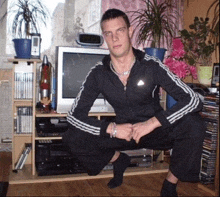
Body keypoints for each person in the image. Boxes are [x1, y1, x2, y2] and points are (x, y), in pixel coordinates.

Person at [62, 8, 205, 196]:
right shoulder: (98, 73)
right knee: (71, 137)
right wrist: (112, 129)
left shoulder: (151, 65)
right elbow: (74, 116)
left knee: (194, 124)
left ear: (130, 32)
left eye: (119, 31)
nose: (115, 38)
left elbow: (194, 99)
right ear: (104, 37)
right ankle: (118, 159)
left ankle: (170, 182)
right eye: (109, 33)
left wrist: (152, 123)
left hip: (154, 130)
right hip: (122, 132)